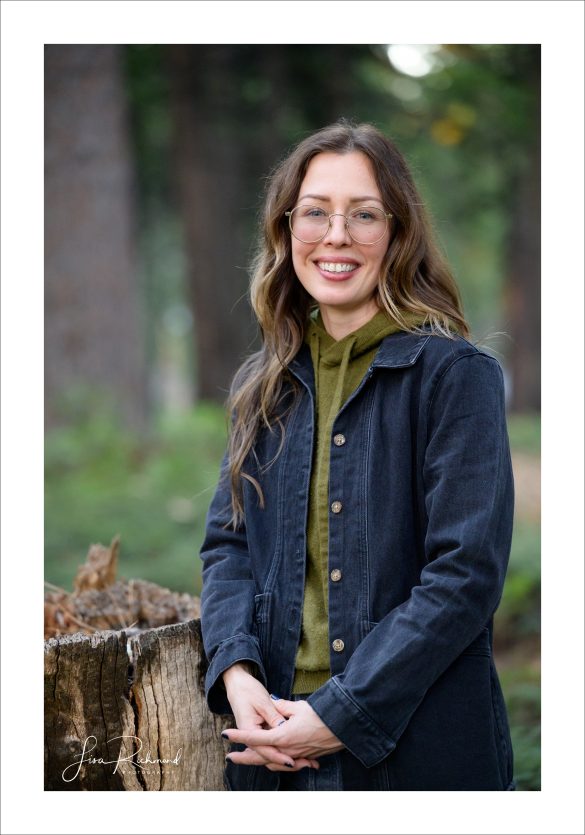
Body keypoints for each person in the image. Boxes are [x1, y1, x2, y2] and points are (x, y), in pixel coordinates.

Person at [199, 120, 515, 791]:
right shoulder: (263, 384)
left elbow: (464, 575)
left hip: (415, 752)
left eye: (364, 214)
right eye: (315, 212)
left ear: (397, 233)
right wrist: (236, 673)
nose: (336, 235)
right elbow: (228, 548)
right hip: (273, 746)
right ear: (286, 230)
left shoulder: (455, 376)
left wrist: (342, 712)